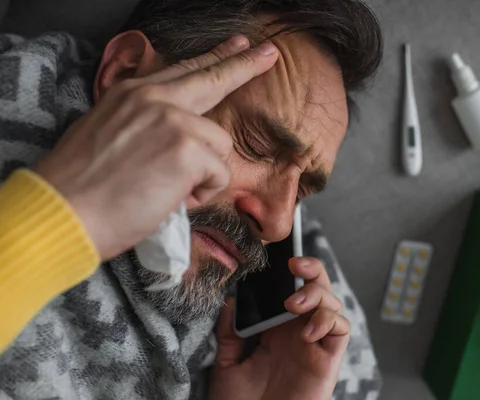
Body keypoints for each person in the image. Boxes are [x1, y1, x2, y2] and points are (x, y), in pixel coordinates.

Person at [0, 0, 382, 399]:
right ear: (125, 73)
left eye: (302, 192)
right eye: (254, 144)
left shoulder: (220, 352)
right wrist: (59, 220)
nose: (280, 222)